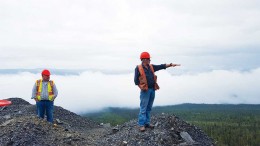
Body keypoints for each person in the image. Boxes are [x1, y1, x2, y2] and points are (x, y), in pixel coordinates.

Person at [134, 52, 180, 132]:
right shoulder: (138, 68)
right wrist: (142, 87)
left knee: (149, 107)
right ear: (144, 59)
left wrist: (171, 64)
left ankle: (147, 123)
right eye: (149, 59)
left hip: (152, 89)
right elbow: (136, 81)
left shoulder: (151, 67)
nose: (150, 60)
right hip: (145, 91)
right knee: (143, 108)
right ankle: (141, 125)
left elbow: (161, 66)